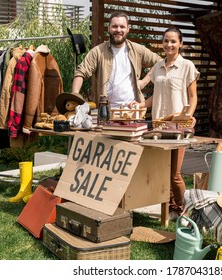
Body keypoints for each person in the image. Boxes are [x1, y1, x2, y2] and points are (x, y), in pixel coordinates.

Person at [130, 27, 199, 222]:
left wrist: (188, 117)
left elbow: (193, 97)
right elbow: (154, 94)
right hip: (158, 125)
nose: (169, 45)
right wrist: (141, 104)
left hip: (178, 127)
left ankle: (186, 211)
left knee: (175, 174)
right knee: (163, 171)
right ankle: (170, 209)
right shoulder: (158, 66)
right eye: (166, 41)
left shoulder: (187, 66)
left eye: (173, 41)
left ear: (180, 44)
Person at [71, 11, 161, 109]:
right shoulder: (98, 51)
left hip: (133, 110)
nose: (118, 30)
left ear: (128, 29)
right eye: (115, 26)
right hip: (106, 111)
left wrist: (144, 81)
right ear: (109, 28)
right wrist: (75, 95)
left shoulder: (137, 50)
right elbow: (80, 72)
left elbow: (160, 62)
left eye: (122, 27)